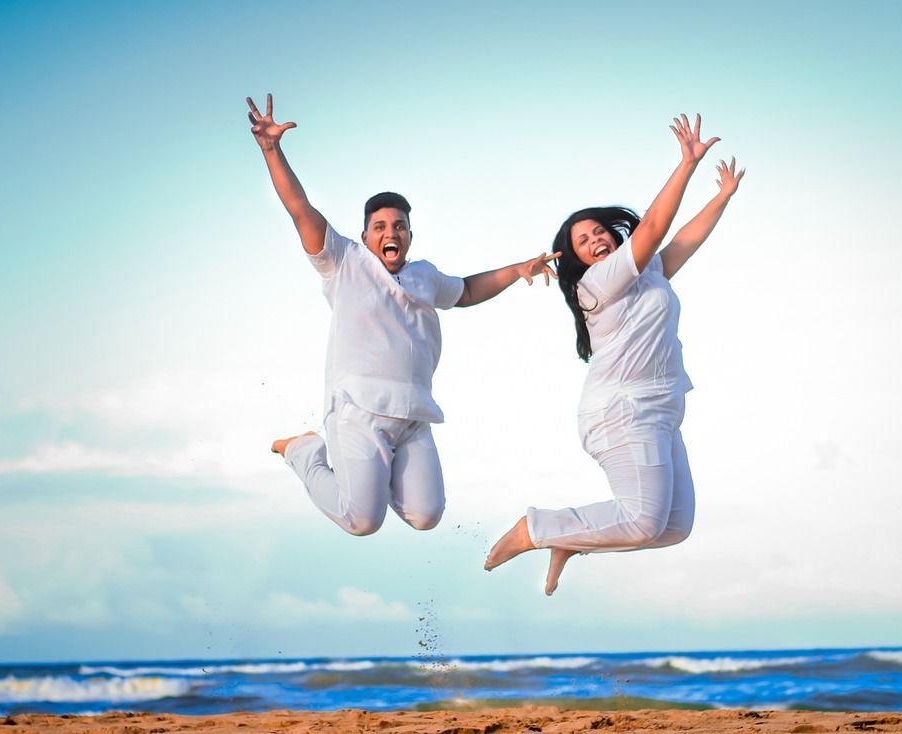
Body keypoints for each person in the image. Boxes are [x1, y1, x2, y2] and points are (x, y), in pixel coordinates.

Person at [248, 94, 558, 536]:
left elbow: (468, 290)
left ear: (410, 236)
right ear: (365, 235)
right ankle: (304, 451)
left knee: (427, 516)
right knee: (363, 521)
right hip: (358, 411)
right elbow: (300, 209)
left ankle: (374, 479)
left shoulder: (425, 276)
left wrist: (517, 270)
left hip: (413, 417)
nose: (390, 232)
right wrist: (271, 149)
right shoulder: (345, 261)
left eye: (399, 227)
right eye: (381, 227)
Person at [484, 114, 744, 594]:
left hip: (662, 411)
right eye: (583, 242)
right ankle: (536, 529)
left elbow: (683, 237)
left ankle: (569, 538)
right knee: (644, 522)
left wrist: (722, 197)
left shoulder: (649, 274)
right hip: (622, 412)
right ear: (578, 260)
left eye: (599, 232)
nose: (595, 240)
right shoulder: (597, 284)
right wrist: (685, 165)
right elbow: (656, 225)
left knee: (673, 527)